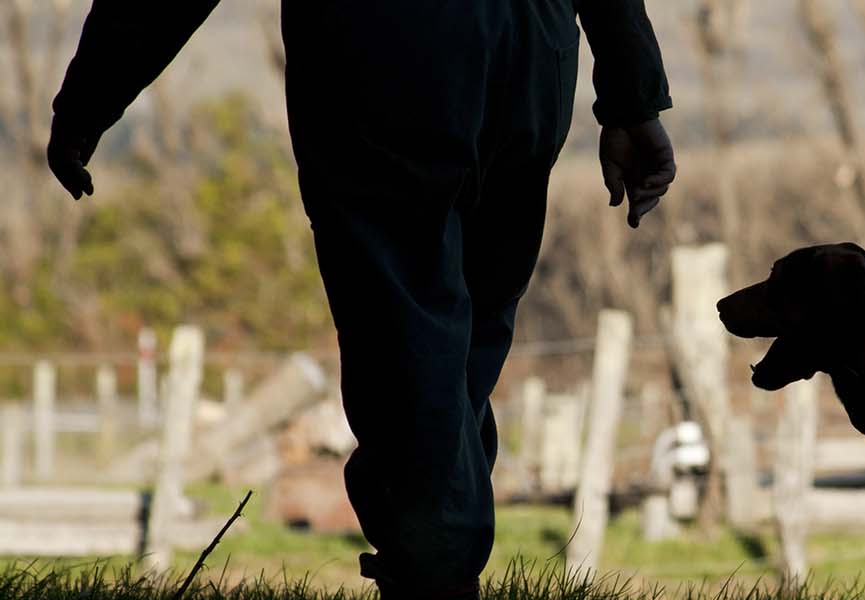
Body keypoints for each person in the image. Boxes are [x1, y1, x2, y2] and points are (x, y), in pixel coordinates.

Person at [47, 1, 676, 598]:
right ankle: (437, 559)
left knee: (410, 338)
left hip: (391, 45)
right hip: (535, 48)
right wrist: (633, 95)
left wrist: (91, 93)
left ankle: (436, 573)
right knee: (465, 344)